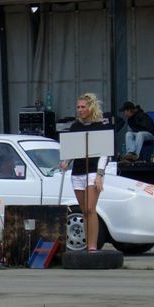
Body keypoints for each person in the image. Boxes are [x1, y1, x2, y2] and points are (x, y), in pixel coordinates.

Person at [59, 92, 109, 252]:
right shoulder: (75, 127)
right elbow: (72, 150)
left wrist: (100, 174)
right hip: (77, 172)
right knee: (84, 211)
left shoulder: (100, 127)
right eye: (78, 107)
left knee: (90, 208)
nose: (80, 110)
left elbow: (104, 153)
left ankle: (93, 246)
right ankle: (88, 244)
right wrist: (66, 162)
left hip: (93, 171)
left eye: (83, 107)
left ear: (90, 107)